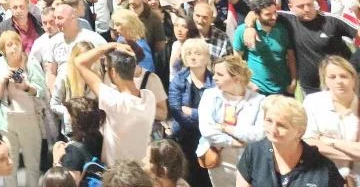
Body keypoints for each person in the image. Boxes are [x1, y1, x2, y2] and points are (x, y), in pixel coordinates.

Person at [73, 42, 156, 165]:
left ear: (113, 72)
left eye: (106, 68)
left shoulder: (114, 101)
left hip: (117, 174)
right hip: (142, 170)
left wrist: (109, 45)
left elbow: (79, 62)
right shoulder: (149, 97)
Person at [236, 95, 344, 187]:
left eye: (281, 125)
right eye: (269, 121)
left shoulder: (324, 168)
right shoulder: (253, 153)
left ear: (300, 131)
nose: (273, 130)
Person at [196, 55, 265, 187]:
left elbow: (258, 134)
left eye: (220, 74)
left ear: (237, 78)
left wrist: (226, 128)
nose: (214, 77)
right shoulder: (209, 96)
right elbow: (206, 129)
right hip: (220, 162)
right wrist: (233, 142)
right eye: (214, 73)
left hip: (248, 162)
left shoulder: (259, 101)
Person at [0, 30, 46, 187]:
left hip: (30, 118)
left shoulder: (31, 62)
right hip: (6, 121)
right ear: (3, 50)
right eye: (9, 45)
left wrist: (26, 87)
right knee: (9, 164)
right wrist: (2, 80)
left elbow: (41, 91)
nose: (14, 48)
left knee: (32, 164)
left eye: (17, 43)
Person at [303, 56, 360, 182]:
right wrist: (350, 155)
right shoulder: (313, 102)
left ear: (353, 79)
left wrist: (330, 142)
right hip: (322, 175)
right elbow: (309, 141)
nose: (339, 81)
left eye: (343, 76)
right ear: (325, 80)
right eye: (332, 77)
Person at [167, 38, 214, 187]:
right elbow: (176, 112)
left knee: (207, 178)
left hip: (209, 137)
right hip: (184, 136)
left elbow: (216, 113)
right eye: (188, 53)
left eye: (197, 53)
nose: (192, 57)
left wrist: (193, 113)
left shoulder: (215, 81)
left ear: (206, 57)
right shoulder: (178, 80)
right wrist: (204, 119)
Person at [232, 0, 296, 96]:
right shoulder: (242, 31)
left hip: (283, 88)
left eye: (275, 12)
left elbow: (291, 56)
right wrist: (247, 83)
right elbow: (236, 60)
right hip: (257, 90)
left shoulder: (282, 29)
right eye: (268, 14)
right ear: (256, 15)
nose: (274, 17)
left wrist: (293, 81)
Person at [44, 3, 106, 93]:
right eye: (55, 18)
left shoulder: (94, 39)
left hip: (89, 95)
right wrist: (55, 94)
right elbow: (51, 72)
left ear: (73, 18)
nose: (56, 22)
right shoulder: (53, 42)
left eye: (60, 18)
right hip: (64, 95)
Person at [51, 97, 104, 184]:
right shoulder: (98, 136)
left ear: (74, 119)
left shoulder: (73, 151)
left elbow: (69, 184)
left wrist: (56, 161)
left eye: (68, 113)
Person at [50, 41, 95, 137]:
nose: (87, 62)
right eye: (83, 58)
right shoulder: (64, 77)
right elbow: (54, 105)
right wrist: (67, 112)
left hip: (91, 130)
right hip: (72, 133)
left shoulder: (94, 75)